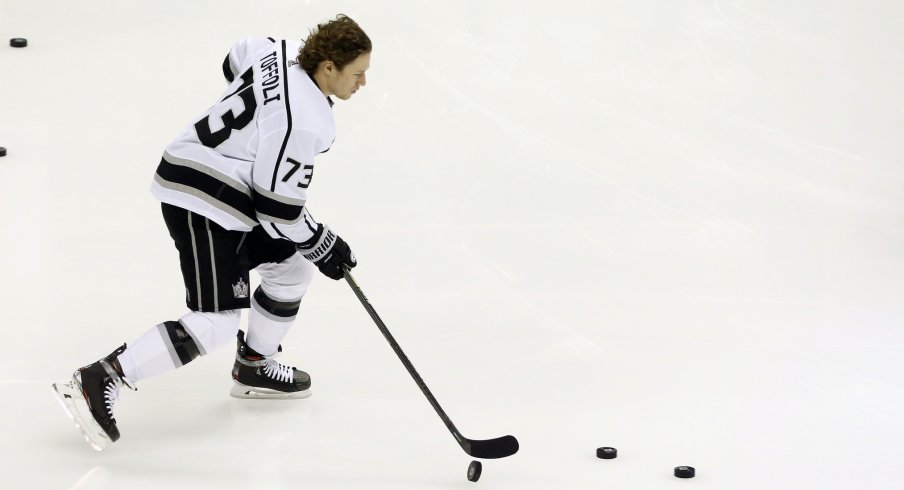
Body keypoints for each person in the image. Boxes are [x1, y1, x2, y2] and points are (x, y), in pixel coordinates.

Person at [52, 14, 371, 451]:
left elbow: (235, 57)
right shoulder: (310, 121)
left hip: (216, 186)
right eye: (357, 73)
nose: (363, 82)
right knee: (217, 322)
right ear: (329, 67)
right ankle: (101, 378)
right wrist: (321, 242)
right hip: (203, 201)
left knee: (291, 264)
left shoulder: (275, 50)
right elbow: (278, 208)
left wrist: (256, 128)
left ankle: (255, 364)